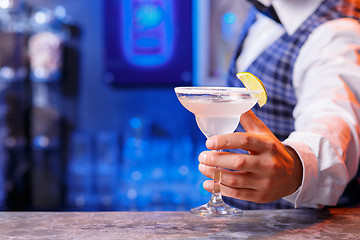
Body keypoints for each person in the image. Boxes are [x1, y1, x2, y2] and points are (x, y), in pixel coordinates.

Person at [198, 0, 360, 209]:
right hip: (240, 221)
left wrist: (295, 168)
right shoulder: (265, 8)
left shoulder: (337, 34)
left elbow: (335, 121)